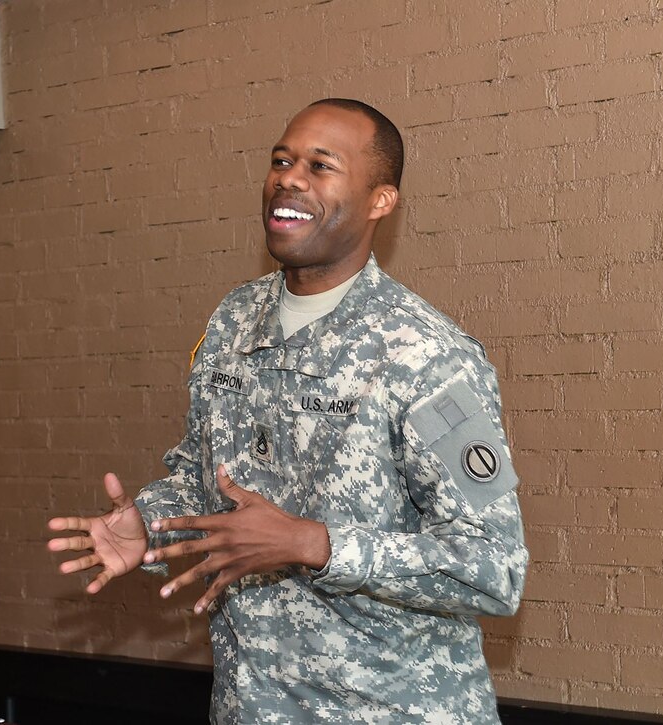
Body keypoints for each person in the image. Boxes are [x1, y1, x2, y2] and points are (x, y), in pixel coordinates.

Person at [48, 99, 528, 724]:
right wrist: (153, 524)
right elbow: (209, 480)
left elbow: (494, 567)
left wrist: (313, 544)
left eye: (321, 166)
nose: (290, 177)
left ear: (382, 201)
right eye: (282, 159)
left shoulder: (428, 354)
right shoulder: (233, 322)